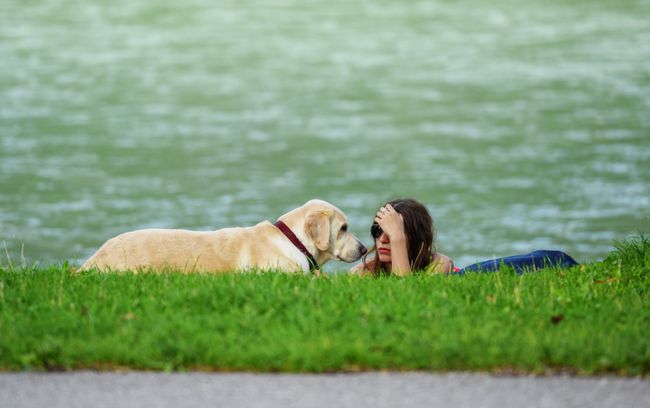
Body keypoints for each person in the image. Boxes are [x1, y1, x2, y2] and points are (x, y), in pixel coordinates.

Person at [350, 198, 454, 276]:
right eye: (378, 230)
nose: (382, 239)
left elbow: (405, 296)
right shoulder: (361, 272)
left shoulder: (439, 263)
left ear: (417, 237)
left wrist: (397, 239)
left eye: (393, 231)